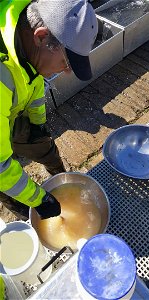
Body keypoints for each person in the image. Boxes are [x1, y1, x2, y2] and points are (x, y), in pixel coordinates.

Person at [0, 0, 98, 220]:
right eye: (66, 62)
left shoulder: (25, 39)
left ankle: (59, 179)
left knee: (43, 144)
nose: (66, 72)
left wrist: (38, 125)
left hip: (10, 110)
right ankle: (26, 213)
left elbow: (33, 84)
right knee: (8, 187)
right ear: (41, 37)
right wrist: (39, 199)